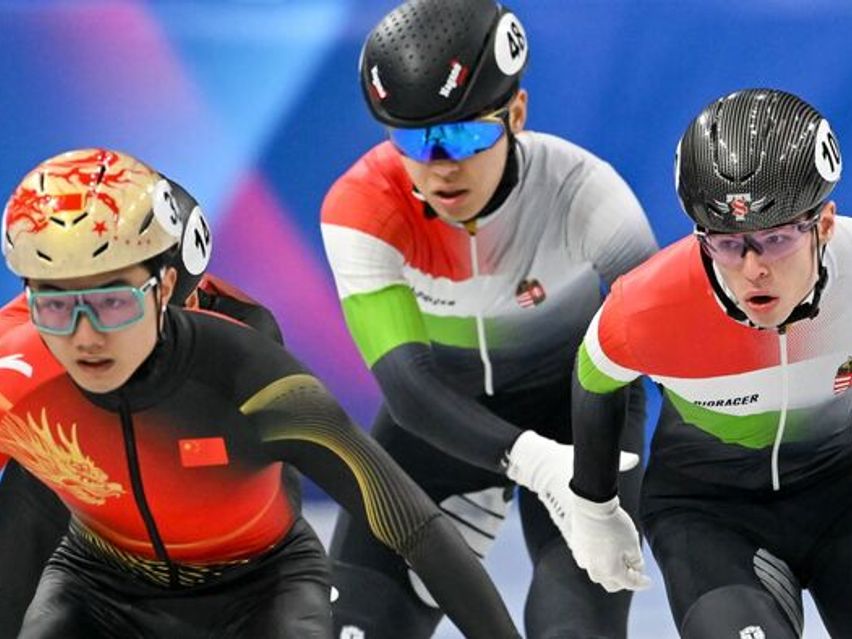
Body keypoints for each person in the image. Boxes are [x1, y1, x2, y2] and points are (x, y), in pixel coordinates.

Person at [0, 148, 520, 638]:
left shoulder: (253, 375)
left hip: (260, 590)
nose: (85, 338)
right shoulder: (14, 367)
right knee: (37, 469)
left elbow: (416, 529)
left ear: (167, 288)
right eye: (56, 306)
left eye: (114, 303)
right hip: (98, 585)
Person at [320, 0, 658, 636]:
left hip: (579, 418)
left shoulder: (586, 194)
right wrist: (530, 462)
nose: (442, 165)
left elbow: (670, 354)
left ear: (517, 114)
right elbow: (406, 386)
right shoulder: (360, 206)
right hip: (436, 423)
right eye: (415, 140)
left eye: (467, 135)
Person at [568, 88, 852, 638]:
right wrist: (595, 507)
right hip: (710, 513)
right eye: (726, 243)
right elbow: (592, 379)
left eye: (775, 238)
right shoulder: (647, 305)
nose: (753, 269)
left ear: (823, 224)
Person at [0, 177, 300, 637]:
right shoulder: (25, 330)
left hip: (184, 491)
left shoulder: (241, 325)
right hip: (74, 480)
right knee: (44, 452)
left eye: (176, 311)